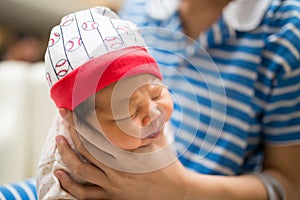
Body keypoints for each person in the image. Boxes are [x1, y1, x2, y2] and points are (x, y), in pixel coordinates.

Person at [54, 0, 300, 199]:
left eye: (157, 93)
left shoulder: (286, 30)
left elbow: (291, 187)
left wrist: (180, 189)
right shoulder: (139, 10)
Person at [36, 6, 175, 199]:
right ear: (79, 121)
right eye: (132, 112)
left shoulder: (155, 126)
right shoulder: (64, 163)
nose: (154, 113)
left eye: (157, 93)